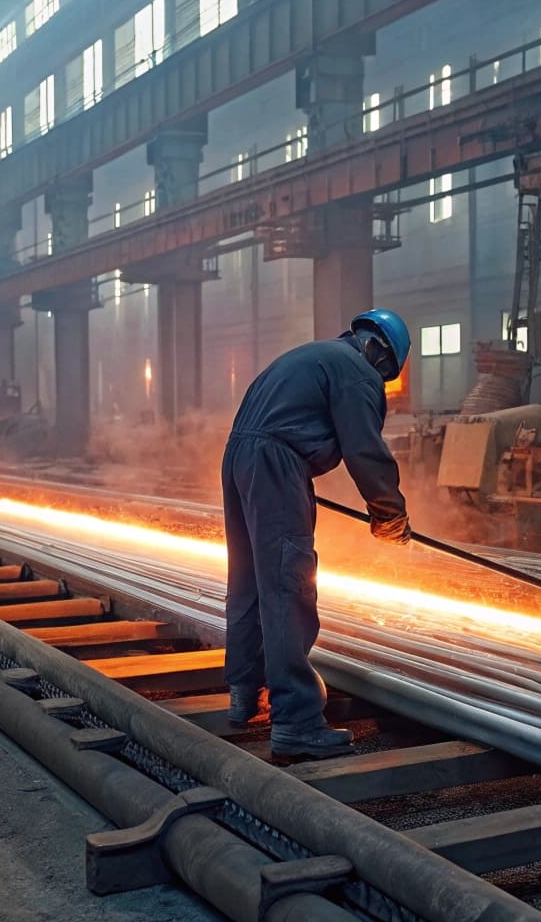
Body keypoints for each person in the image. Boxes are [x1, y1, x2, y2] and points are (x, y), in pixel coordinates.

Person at [222, 308, 412, 758]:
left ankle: (244, 693)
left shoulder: (315, 356)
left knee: (249, 579)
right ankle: (297, 722)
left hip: (239, 456)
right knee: (289, 583)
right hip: (276, 461)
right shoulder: (357, 371)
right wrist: (390, 516)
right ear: (382, 356)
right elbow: (365, 450)